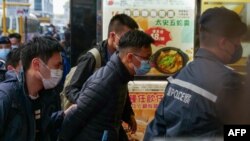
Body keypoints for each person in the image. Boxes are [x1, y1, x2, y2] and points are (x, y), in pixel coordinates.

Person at [143, 7, 248, 140]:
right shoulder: (230, 82)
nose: (237, 49)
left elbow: (156, 128)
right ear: (223, 43)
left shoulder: (179, 76)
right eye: (236, 44)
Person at [59, 30, 154, 141]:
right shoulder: (105, 81)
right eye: (146, 58)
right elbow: (75, 118)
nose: (149, 63)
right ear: (129, 57)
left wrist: (128, 116)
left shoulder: (121, 76)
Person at [64, 13, 139, 140]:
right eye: (126, 39)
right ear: (112, 36)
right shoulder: (93, 58)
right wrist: (90, 102)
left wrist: (129, 115)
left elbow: (122, 89)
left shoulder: (122, 58)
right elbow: (70, 89)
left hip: (112, 124)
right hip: (92, 126)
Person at [0, 36, 66, 141]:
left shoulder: (46, 95)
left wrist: (63, 115)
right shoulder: (5, 96)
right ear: (36, 64)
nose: (60, 71)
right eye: (57, 66)